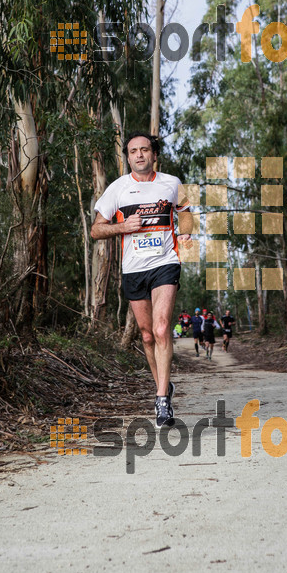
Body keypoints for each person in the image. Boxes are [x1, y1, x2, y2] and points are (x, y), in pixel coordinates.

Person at [90, 131, 192, 428]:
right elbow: (96, 230)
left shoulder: (172, 184)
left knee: (162, 329)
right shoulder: (118, 189)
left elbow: (186, 212)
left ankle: (162, 401)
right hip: (134, 268)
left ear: (153, 154)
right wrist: (123, 228)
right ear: (128, 156)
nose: (138, 155)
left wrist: (185, 232)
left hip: (165, 263)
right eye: (133, 151)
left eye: (144, 150)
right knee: (146, 335)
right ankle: (163, 383)